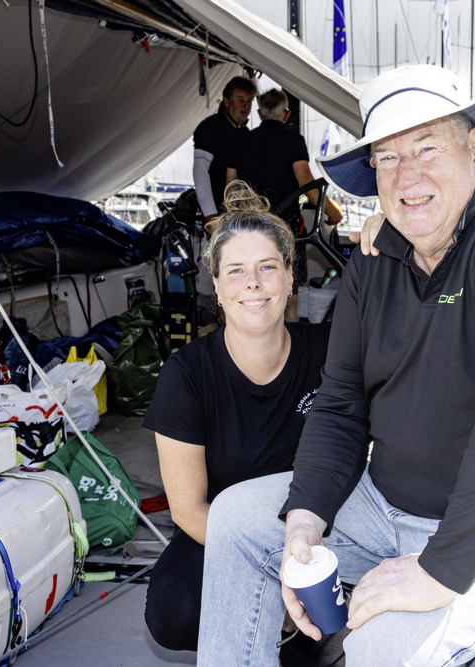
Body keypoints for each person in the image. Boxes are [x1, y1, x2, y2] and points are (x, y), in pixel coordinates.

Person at [197, 64, 475, 665]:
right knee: (240, 517)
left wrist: (440, 570)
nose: (408, 175)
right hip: (387, 505)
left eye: (427, 148)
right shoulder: (374, 258)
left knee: (383, 643)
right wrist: (305, 517)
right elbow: (341, 400)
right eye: (388, 158)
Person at [141, 182, 332, 653]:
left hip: (320, 524)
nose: (253, 283)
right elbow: (188, 510)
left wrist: (382, 234)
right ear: (218, 288)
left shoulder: (329, 352)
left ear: (290, 277)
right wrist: (275, 565)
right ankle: (279, 617)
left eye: (268, 267)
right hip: (223, 528)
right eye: (236, 271)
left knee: (327, 632)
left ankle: (295, 627)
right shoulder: (187, 375)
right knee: (176, 611)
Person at [227, 88, 344, 321]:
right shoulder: (293, 141)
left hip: (250, 230)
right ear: (287, 113)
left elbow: (230, 187)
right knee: (290, 295)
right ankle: (291, 349)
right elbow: (306, 183)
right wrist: (333, 213)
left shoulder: (241, 141)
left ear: (260, 113)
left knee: (253, 289)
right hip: (285, 231)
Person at [193, 77, 257, 222]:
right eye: (240, 99)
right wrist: (210, 215)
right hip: (216, 214)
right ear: (226, 101)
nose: (245, 106)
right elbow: (200, 171)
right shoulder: (210, 128)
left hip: (238, 216)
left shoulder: (245, 133)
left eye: (249, 101)